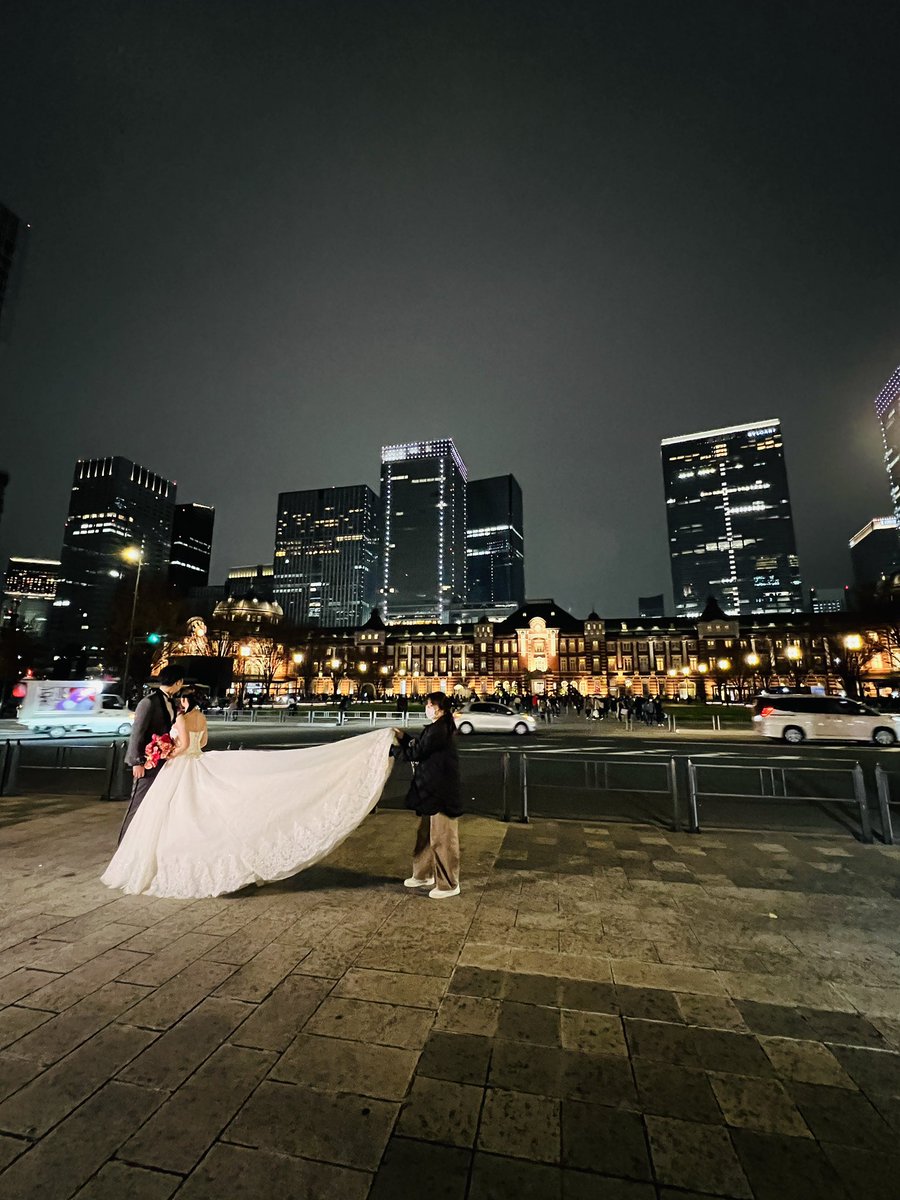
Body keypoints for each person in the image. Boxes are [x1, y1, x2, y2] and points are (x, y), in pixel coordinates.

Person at [102, 716, 397, 898]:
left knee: (174, 817)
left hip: (178, 767)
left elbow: (181, 748)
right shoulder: (201, 718)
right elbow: (202, 742)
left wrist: (164, 750)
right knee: (205, 811)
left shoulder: (180, 717)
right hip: (198, 762)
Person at [393, 691, 462, 900]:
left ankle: (449, 883)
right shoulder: (436, 728)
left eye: (429, 704)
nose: (426, 708)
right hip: (430, 789)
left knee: (443, 838)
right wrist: (404, 738)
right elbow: (421, 747)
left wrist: (394, 750)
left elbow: (417, 753)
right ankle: (423, 874)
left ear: (439, 708)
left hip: (441, 792)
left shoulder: (440, 729)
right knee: (425, 835)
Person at [119, 666, 185, 845]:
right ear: (177, 682)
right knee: (138, 802)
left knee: (156, 801)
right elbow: (137, 733)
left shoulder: (172, 702)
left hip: (165, 760)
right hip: (148, 761)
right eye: (181, 682)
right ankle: (124, 843)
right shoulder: (149, 702)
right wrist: (136, 762)